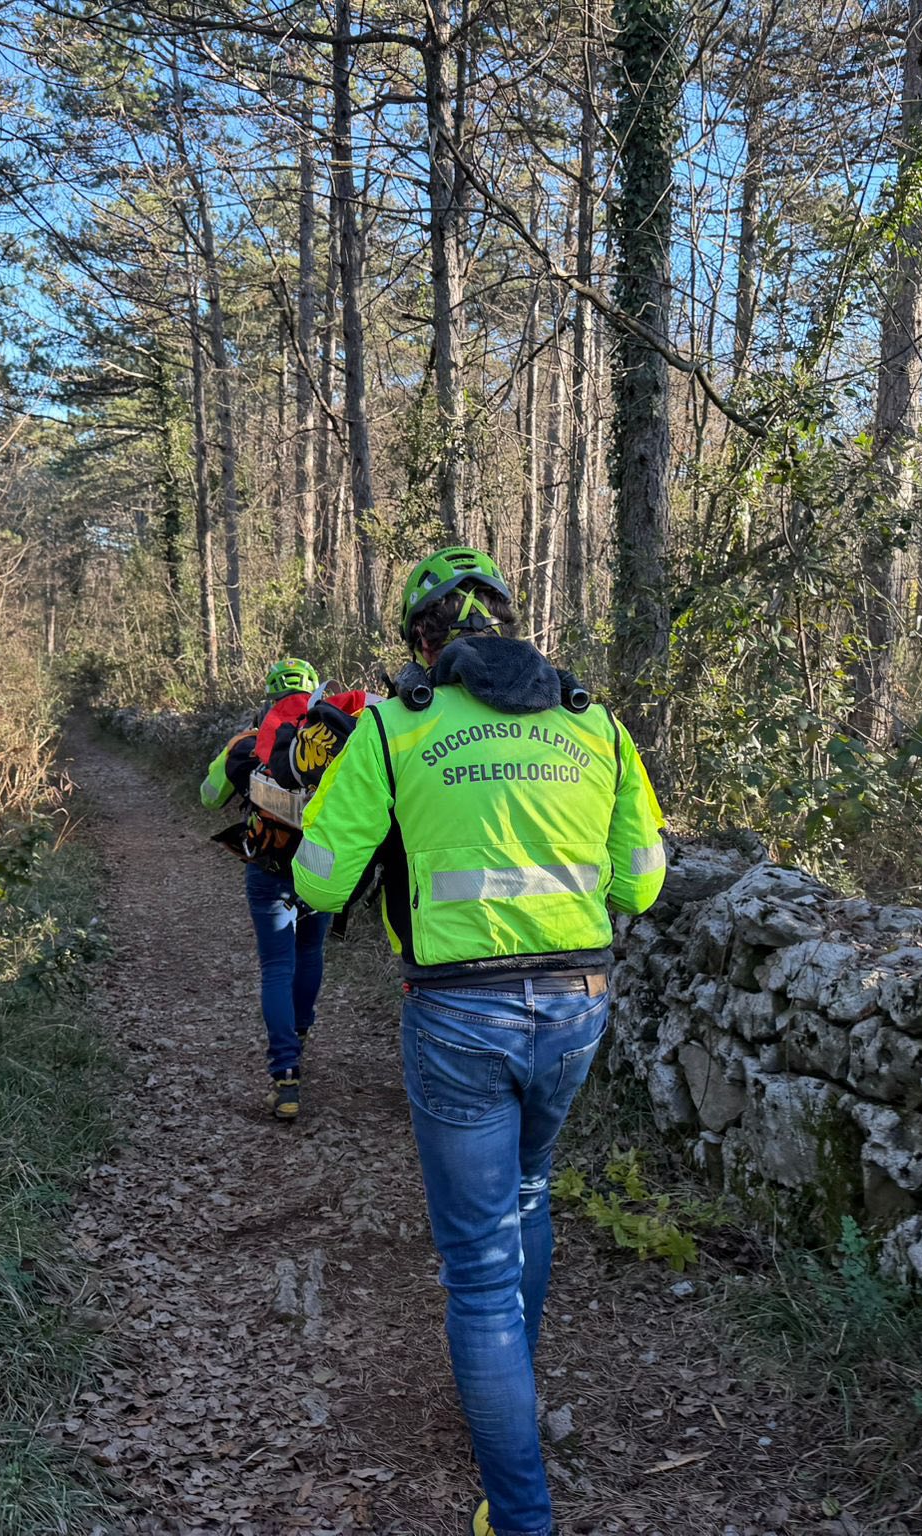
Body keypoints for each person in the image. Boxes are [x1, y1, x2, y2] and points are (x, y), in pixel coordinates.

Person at [290, 548, 666, 1536]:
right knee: (529, 1194)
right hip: (577, 1006)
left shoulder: (397, 725)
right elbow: (640, 884)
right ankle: (509, 1397)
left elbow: (321, 882)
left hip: (458, 1014)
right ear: (505, 622)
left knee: (478, 1276)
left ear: (420, 640)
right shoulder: (594, 722)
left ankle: (519, 1511)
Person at [200, 658, 364, 1121]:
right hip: (318, 866)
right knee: (310, 954)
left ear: (269, 697)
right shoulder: (331, 741)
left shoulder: (250, 743)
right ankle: (300, 1034)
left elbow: (208, 795)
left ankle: (285, 1077)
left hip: (267, 866)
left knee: (276, 965)